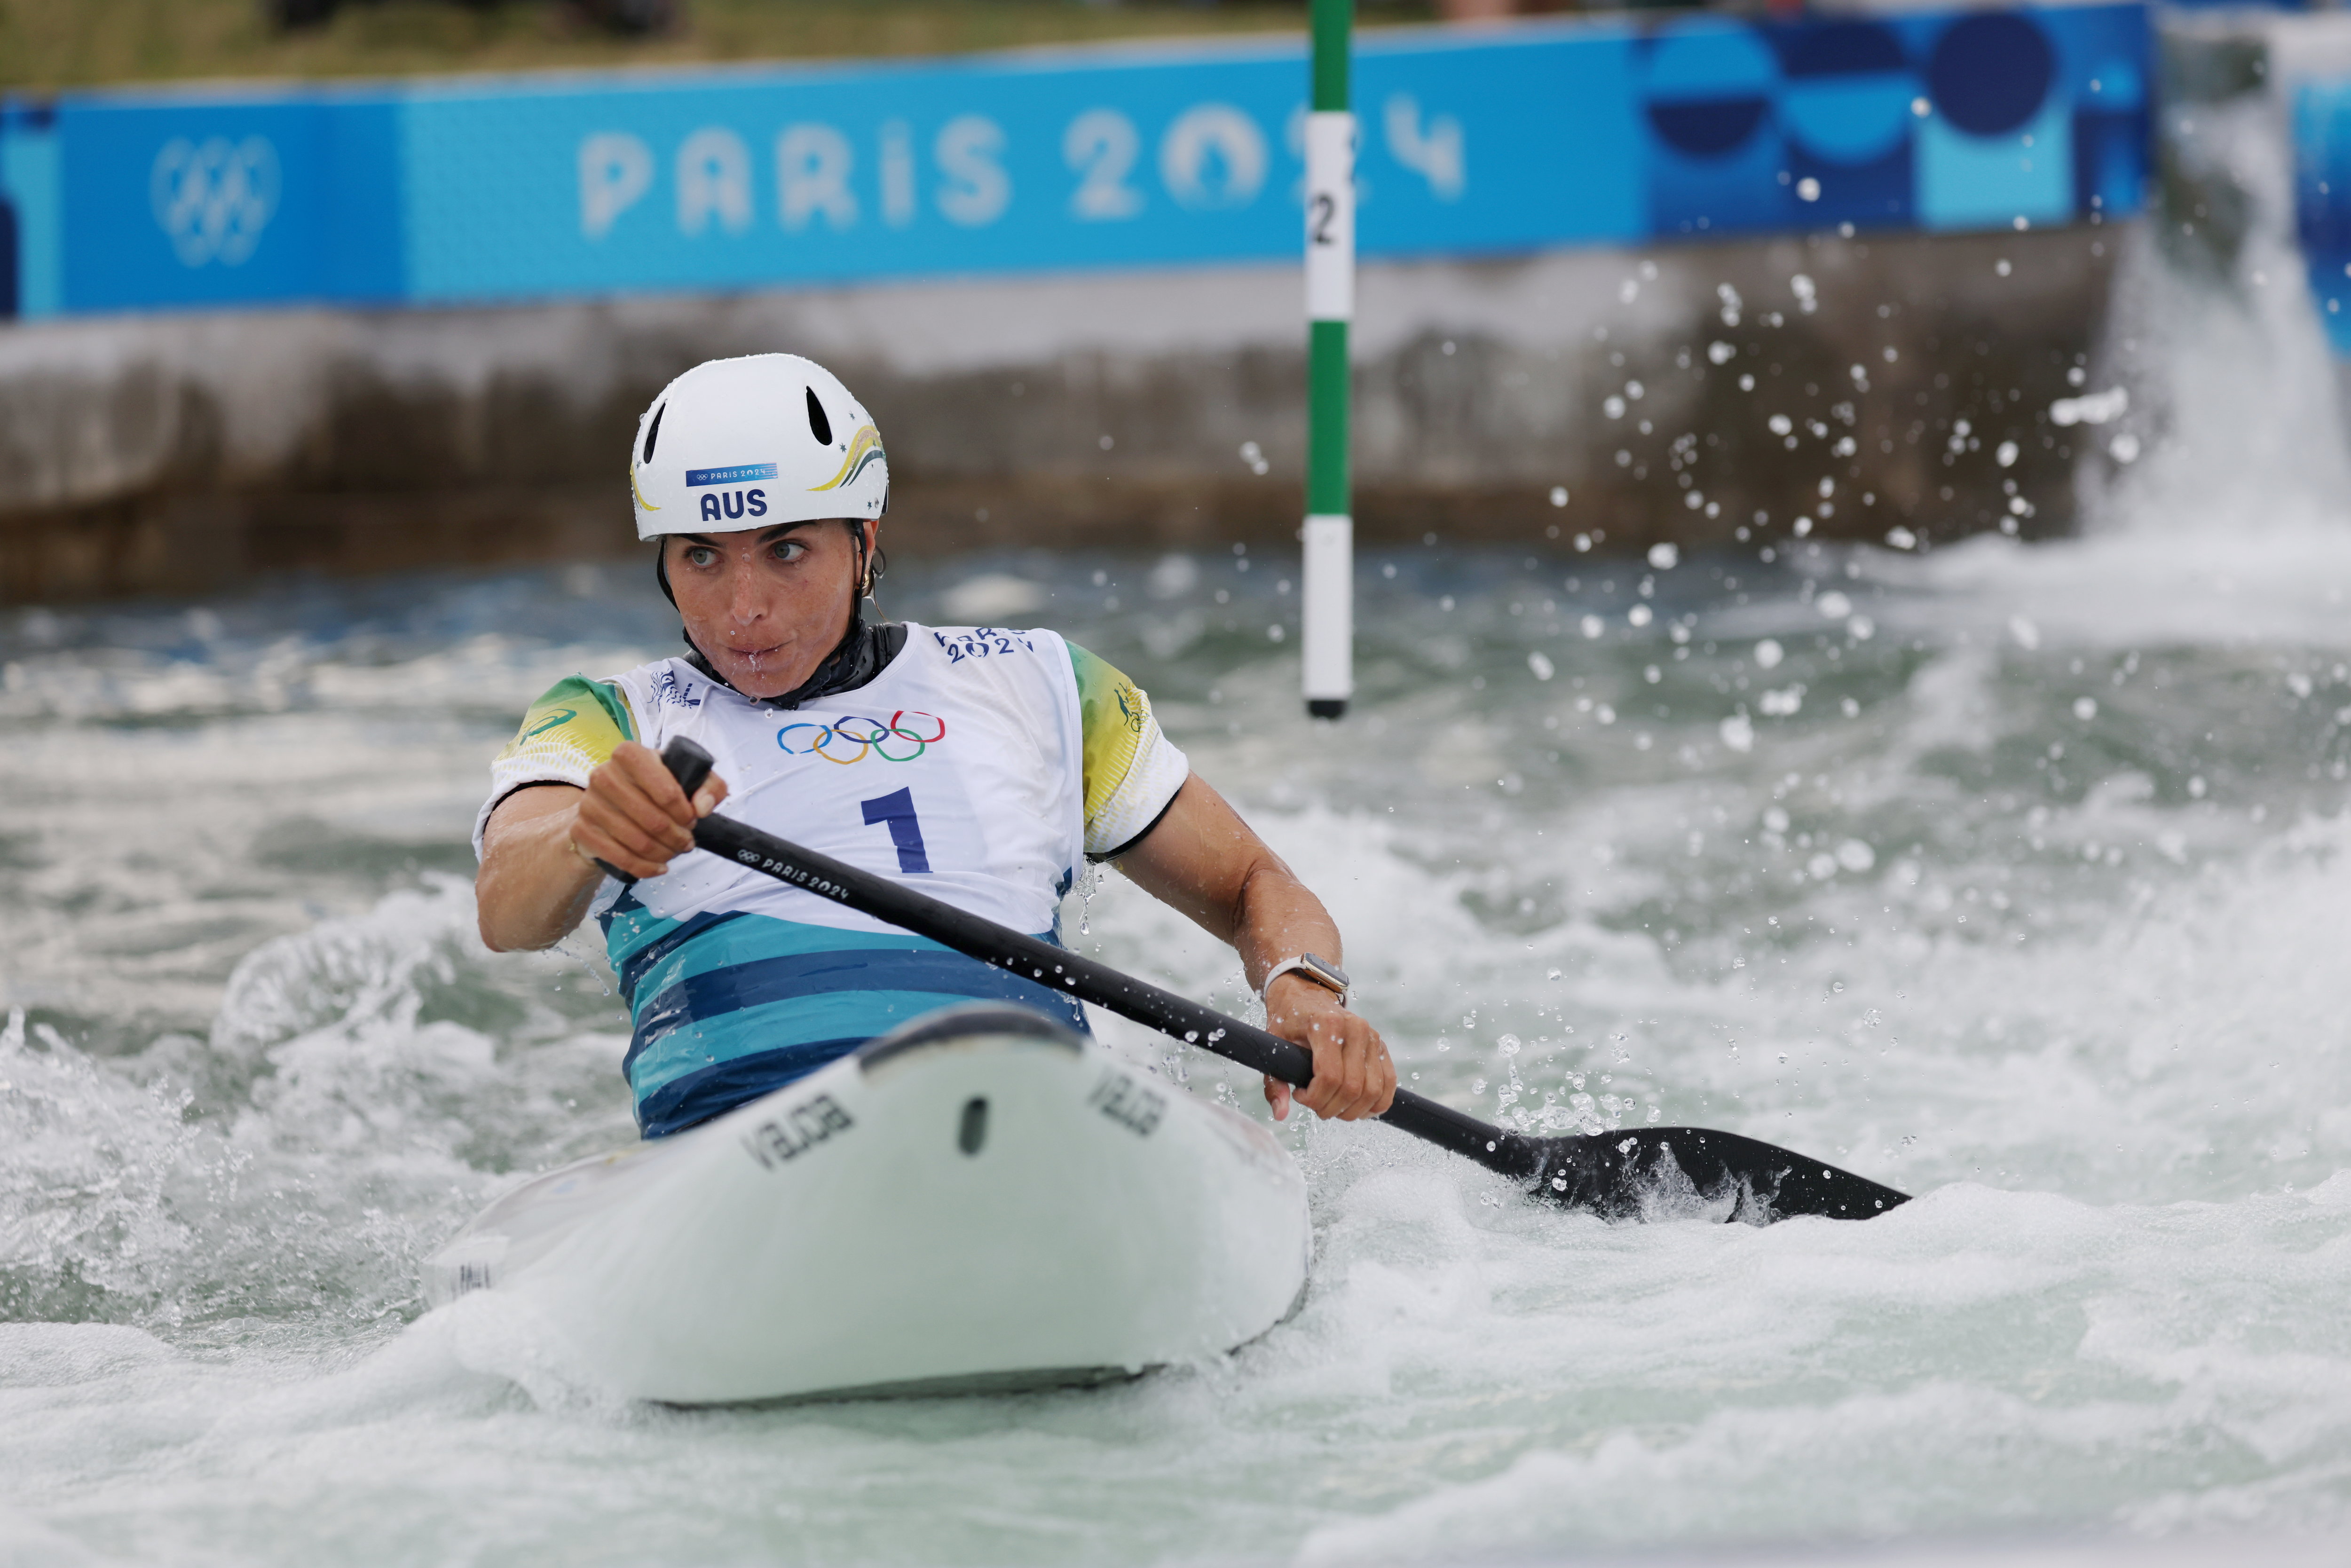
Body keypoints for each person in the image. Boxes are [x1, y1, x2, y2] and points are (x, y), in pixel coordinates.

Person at [473, 353, 1396, 1138]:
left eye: (786, 550)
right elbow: (507, 909)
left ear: (864, 542)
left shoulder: (1039, 682)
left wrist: (1305, 984)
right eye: (701, 557)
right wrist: (587, 835)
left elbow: (1253, 886)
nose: (742, 607)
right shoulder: (608, 719)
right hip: (743, 1152)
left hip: (1034, 1124)